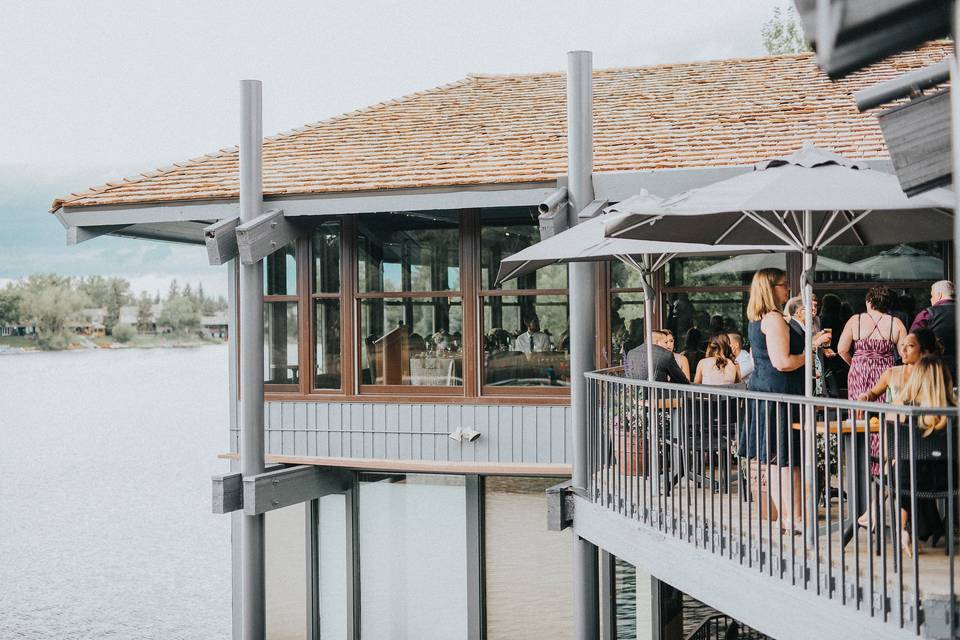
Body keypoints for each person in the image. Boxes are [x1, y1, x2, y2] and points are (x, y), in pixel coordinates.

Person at [738, 268, 830, 531]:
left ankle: (789, 517)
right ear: (771, 288)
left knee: (777, 459)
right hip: (779, 396)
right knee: (786, 459)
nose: (787, 290)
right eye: (783, 285)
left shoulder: (757, 319)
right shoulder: (775, 319)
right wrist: (810, 349)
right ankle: (796, 517)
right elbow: (783, 362)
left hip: (767, 393)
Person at [855, 329, 942, 530]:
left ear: (924, 352)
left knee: (898, 464)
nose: (902, 350)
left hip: (923, 441)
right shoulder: (892, 373)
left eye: (909, 346)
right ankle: (916, 524)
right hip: (899, 440)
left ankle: (876, 510)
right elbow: (873, 392)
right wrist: (864, 397)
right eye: (902, 345)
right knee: (899, 461)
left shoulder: (931, 376)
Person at [889, 355, 957, 556]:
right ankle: (932, 526)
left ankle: (903, 529)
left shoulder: (903, 410)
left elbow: (890, 450)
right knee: (912, 468)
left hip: (909, 480)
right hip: (949, 480)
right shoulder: (954, 411)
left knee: (903, 466)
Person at [839, 286, 907, 473]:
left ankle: (860, 464)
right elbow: (905, 353)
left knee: (859, 416)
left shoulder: (856, 320)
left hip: (859, 371)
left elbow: (841, 349)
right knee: (885, 417)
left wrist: (856, 362)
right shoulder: (896, 323)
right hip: (886, 373)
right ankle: (882, 465)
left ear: (869, 301)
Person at [910, 280, 956, 375]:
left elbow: (912, 341)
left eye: (932, 295)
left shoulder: (927, 314)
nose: (931, 299)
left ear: (939, 295)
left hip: (935, 368)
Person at [624, 332, 689, 383]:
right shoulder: (666, 355)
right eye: (665, 342)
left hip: (636, 396)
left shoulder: (631, 352)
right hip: (659, 397)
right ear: (657, 342)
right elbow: (681, 380)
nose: (667, 345)